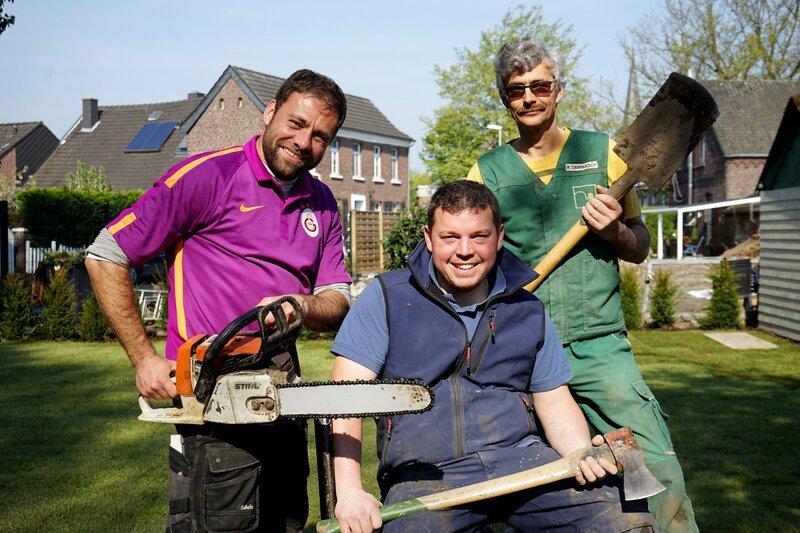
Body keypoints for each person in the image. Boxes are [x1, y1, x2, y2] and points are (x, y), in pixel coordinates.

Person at [85, 69, 352, 533]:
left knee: (287, 521)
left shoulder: (324, 202)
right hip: (212, 392)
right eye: (295, 123)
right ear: (269, 112)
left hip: (284, 388)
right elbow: (106, 253)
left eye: (320, 136)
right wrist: (144, 359)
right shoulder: (208, 175)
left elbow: (336, 297)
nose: (303, 142)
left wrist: (304, 306)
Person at [329, 181, 656, 532]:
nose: (465, 250)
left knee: (626, 522)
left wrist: (580, 454)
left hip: (526, 465)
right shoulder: (387, 297)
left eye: (479, 236)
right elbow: (345, 398)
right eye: (450, 237)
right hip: (424, 476)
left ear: (499, 237)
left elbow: (556, 404)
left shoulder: (527, 309)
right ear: (428, 238)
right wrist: (348, 491)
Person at [467, 37, 698, 532]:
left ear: (558, 91)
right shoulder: (485, 173)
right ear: (505, 99)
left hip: (599, 348)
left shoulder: (606, 156)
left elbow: (639, 246)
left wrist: (614, 229)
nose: (529, 97)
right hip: (523, 351)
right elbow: (472, 260)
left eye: (539, 85)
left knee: (659, 471)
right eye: (516, 90)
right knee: (541, 489)